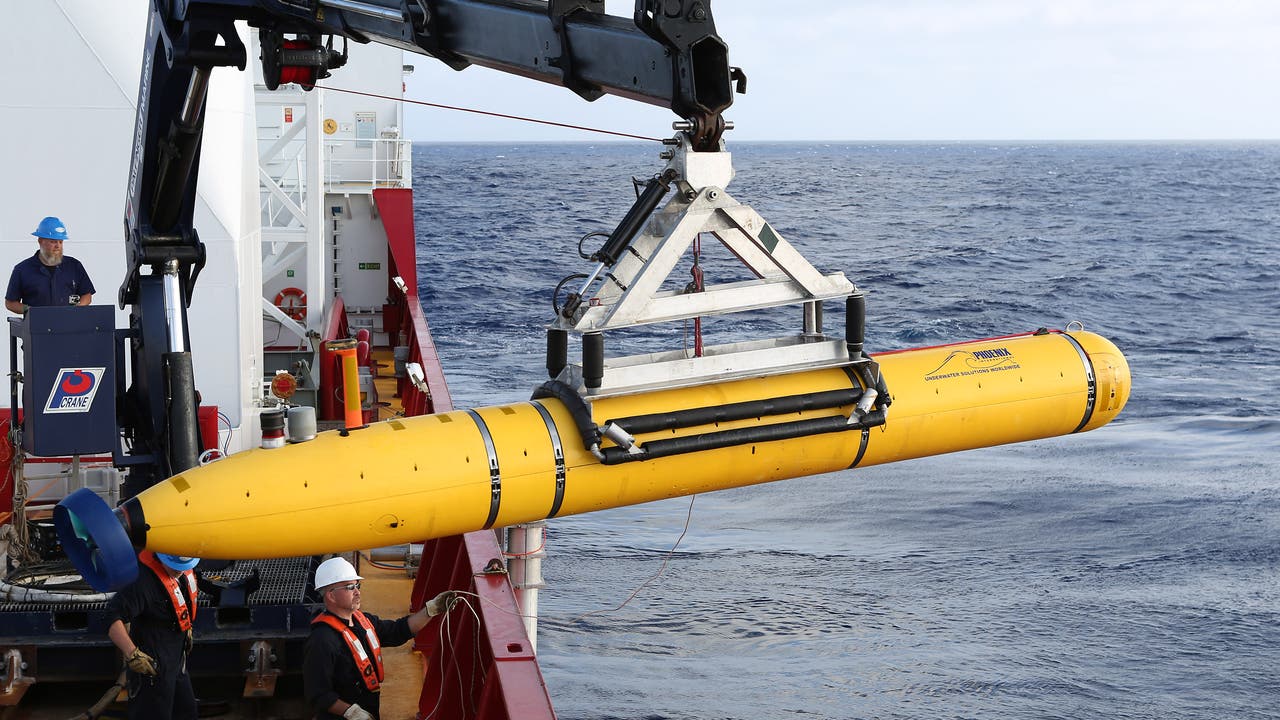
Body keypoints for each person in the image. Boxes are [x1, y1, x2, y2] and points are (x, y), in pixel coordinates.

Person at [304, 556, 457, 720]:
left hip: (368, 710)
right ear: (331, 596)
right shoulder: (322, 640)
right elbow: (319, 694)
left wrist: (431, 610)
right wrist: (351, 713)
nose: (357, 592)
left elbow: (398, 631)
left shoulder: (363, 621)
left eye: (358, 585)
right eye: (350, 587)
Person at [106, 551, 201, 720]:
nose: (180, 570)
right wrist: (131, 654)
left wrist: (186, 629)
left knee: (186, 712)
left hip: (177, 660)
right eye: (175, 567)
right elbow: (112, 618)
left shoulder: (183, 570)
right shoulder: (142, 582)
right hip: (151, 664)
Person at [5, 215, 95, 314]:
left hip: (69, 325)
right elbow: (10, 303)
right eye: (53, 241)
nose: (58, 246)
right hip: (37, 326)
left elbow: (87, 295)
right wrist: (31, 311)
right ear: (40, 241)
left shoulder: (74, 266)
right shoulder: (22, 270)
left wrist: (75, 310)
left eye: (61, 242)